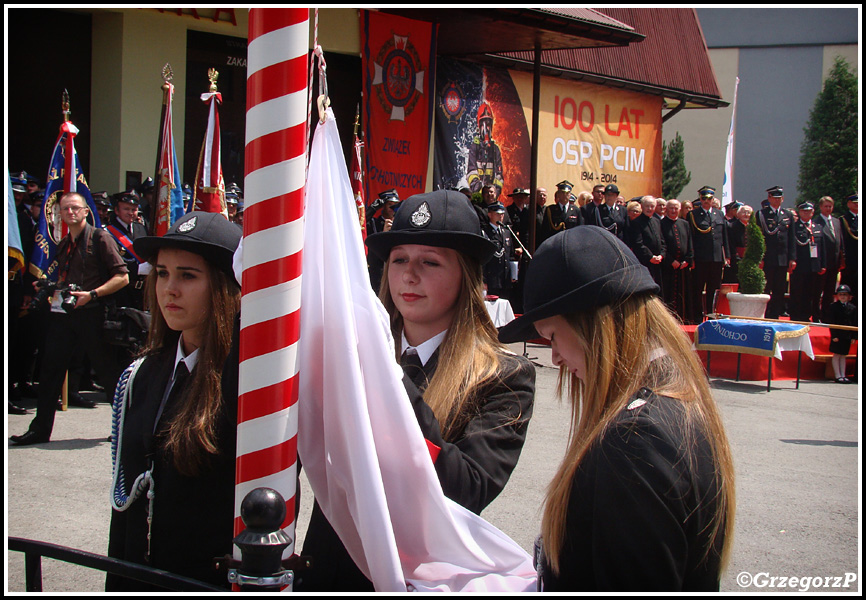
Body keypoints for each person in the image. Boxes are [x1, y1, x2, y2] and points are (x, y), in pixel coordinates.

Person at [297, 189, 536, 592]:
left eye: (430, 262)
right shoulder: (346, 351)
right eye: (399, 260)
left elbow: (468, 489)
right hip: (327, 565)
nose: (409, 275)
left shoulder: (504, 374)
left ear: (466, 275)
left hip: (416, 578)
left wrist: (388, 377)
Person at [499, 226, 735, 591]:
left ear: (594, 323)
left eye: (553, 338)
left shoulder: (634, 439)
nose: (557, 358)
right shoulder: (671, 404)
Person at [106, 211, 242, 590]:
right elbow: (126, 513)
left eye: (187, 275)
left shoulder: (246, 384)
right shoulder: (142, 374)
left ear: (225, 286)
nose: (169, 289)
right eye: (162, 272)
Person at [11, 193, 130, 446]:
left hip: (93, 313)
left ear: (86, 211)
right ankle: (40, 429)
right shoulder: (65, 243)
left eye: (75, 208)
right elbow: (65, 279)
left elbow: (122, 277)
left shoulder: (100, 238)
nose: (70, 212)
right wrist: (47, 287)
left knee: (108, 373)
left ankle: (126, 429)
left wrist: (93, 294)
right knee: (50, 370)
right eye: (65, 209)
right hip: (65, 315)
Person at [688, 186, 730, 321]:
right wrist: (691, 257)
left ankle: (711, 313)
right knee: (698, 288)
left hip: (716, 257)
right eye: (704, 198)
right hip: (700, 258)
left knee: (714, 288)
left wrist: (726, 256)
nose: (706, 201)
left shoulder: (719, 214)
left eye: (709, 198)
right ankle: (697, 315)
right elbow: (691, 238)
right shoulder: (693, 215)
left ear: (713, 199)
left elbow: (724, 237)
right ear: (700, 199)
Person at [757, 185, 795, 319]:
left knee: (780, 289)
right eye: (775, 198)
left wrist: (792, 258)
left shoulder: (787, 214)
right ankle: (766, 314)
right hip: (768, 258)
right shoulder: (762, 214)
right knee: (767, 287)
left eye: (780, 198)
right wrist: (760, 258)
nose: (778, 201)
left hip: (782, 258)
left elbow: (791, 238)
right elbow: (759, 238)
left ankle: (775, 314)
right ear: (769, 198)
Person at [106, 191, 149, 310]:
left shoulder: (141, 228)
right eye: (126, 209)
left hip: (141, 291)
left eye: (134, 209)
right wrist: (137, 269)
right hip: (121, 291)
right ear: (116, 211)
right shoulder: (107, 232)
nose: (131, 213)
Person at [789, 202, 826, 322]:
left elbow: (822, 248)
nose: (806, 213)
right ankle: (795, 316)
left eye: (809, 211)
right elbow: (791, 246)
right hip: (799, 266)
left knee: (810, 293)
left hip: (813, 266)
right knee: (797, 292)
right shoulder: (794, 227)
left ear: (813, 212)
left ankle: (806, 315)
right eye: (804, 211)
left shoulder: (817, 227)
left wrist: (823, 264)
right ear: (799, 212)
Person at [660, 199, 694, 323]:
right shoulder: (662, 224)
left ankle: (684, 318)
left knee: (684, 295)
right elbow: (661, 244)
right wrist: (670, 260)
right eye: (671, 208)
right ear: (667, 210)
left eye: (676, 208)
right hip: (669, 266)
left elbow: (690, 243)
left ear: (679, 209)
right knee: (669, 294)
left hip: (683, 267)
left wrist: (688, 260)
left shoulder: (684, 224)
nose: (674, 211)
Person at [625, 196, 665, 292]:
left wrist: (661, 255)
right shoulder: (636, 223)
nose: (649, 209)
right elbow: (638, 243)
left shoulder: (657, 221)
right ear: (642, 206)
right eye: (647, 206)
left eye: (652, 206)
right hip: (645, 261)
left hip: (658, 262)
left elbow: (663, 242)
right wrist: (650, 257)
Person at [482, 201, 519, 300]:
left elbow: (510, 255)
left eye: (502, 214)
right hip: (492, 279)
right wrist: (483, 280)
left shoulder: (506, 232)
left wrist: (513, 274)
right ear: (490, 214)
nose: (501, 217)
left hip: (505, 279)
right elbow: (483, 259)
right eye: (497, 214)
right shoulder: (485, 232)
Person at [466, 102, 504, 198]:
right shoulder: (475, 147)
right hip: (477, 197)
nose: (486, 128)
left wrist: (494, 192)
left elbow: (499, 176)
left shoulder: (495, 150)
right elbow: (471, 173)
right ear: (479, 126)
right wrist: (480, 191)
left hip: (491, 198)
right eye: (483, 124)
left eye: (488, 124)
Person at [814, 196, 843, 319]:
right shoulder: (816, 222)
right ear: (820, 207)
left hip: (834, 263)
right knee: (817, 291)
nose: (828, 208)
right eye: (825, 206)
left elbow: (840, 241)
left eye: (830, 206)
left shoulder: (837, 222)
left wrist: (842, 259)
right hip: (822, 264)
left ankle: (826, 315)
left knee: (830, 292)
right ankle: (816, 315)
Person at [825, 284, 857, 383]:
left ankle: (843, 375)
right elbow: (832, 322)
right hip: (837, 335)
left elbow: (854, 322)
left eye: (845, 294)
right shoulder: (834, 307)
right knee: (836, 354)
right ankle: (837, 375)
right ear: (837, 296)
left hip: (847, 335)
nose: (843, 296)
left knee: (843, 355)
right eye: (840, 294)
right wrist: (834, 335)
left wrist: (854, 336)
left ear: (849, 296)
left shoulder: (853, 308)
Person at [540, 180, 582, 244]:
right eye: (562, 193)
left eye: (567, 193)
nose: (565, 195)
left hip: (571, 243)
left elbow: (580, 229)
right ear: (558, 194)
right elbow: (545, 230)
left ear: (570, 195)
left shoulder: (576, 210)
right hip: (555, 243)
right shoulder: (550, 210)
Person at [724, 203, 750, 285]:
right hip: (736, 260)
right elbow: (730, 244)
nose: (746, 214)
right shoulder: (732, 226)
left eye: (748, 212)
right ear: (738, 214)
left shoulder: (754, 227)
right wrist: (737, 257)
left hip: (749, 260)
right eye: (744, 212)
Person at [839, 193, 858, 297]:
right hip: (849, 261)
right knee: (848, 287)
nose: (857, 205)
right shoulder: (843, 220)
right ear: (849, 204)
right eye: (854, 203)